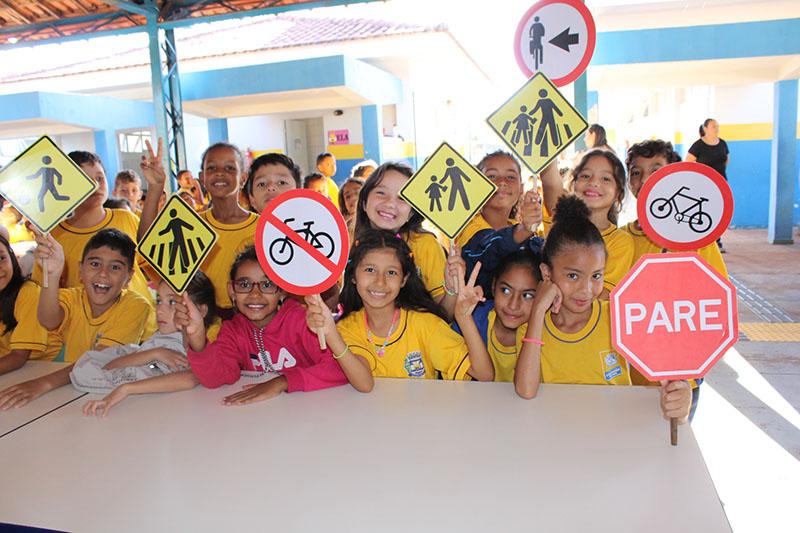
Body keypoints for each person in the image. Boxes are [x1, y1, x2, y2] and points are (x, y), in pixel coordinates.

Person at [513, 196, 692, 427]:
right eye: (573, 276)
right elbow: (526, 391)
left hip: (614, 438)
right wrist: (538, 311)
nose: (586, 290)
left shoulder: (619, 318)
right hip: (556, 437)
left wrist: (681, 395)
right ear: (547, 274)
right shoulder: (531, 330)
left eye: (596, 276)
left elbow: (668, 375)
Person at [305, 230, 495, 390]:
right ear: (353, 276)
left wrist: (463, 318)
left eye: (391, 272)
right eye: (370, 270)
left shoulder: (424, 324)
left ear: (404, 280)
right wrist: (330, 332)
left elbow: (484, 375)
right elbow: (364, 384)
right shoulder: (347, 328)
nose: (380, 282)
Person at [624, 139, 727, 419]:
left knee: (673, 454)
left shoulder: (697, 241)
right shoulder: (620, 240)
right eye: (636, 172)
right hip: (628, 381)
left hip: (681, 386)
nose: (645, 179)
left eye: (656, 169)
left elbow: (717, 305)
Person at [0, 229, 152, 410]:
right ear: (80, 270)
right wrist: (53, 274)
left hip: (108, 394)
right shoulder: (71, 297)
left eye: (115, 267)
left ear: (128, 278)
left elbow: (99, 361)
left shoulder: (135, 306)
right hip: (73, 388)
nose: (103, 273)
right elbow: (48, 320)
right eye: (95, 264)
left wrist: (44, 384)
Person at [181, 246, 349, 403]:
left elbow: (340, 369)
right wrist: (197, 338)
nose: (255, 294)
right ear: (232, 291)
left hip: (311, 410)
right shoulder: (232, 330)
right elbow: (217, 379)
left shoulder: (304, 321)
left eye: (267, 285)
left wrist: (283, 382)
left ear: (282, 290)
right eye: (244, 285)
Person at [30, 151, 154, 332]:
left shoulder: (126, 218)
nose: (96, 186)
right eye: (85, 180)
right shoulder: (53, 237)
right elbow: (48, 300)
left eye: (100, 178)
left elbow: (152, 266)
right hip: (95, 339)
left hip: (146, 329)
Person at [138, 140, 257, 310]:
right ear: (202, 178)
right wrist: (155, 187)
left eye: (230, 168)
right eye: (212, 168)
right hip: (197, 326)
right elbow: (149, 245)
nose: (220, 174)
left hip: (247, 329)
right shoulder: (192, 223)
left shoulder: (262, 228)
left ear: (243, 178)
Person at [77, 273, 217, 416]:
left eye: (172, 302)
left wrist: (126, 388)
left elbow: (191, 378)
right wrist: (154, 353)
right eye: (158, 301)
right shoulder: (160, 339)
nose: (160, 310)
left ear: (201, 311)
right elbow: (108, 367)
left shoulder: (189, 347)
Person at [353, 162, 462, 318]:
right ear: (364, 202)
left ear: (411, 213)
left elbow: (446, 314)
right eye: (381, 193)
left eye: (402, 198)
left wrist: (452, 290)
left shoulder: (425, 245)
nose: (390, 203)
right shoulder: (356, 245)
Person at [540, 151, 634, 297]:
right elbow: (550, 183)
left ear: (618, 194)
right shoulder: (561, 222)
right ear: (573, 184)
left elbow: (602, 296)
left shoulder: (621, 241)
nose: (594, 182)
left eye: (606, 179)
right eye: (585, 176)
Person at [458, 150, 543, 294]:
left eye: (510, 177)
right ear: (476, 187)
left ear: (521, 188)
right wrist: (523, 230)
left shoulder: (528, 230)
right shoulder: (467, 229)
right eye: (491, 176)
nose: (502, 182)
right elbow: (488, 252)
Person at [452, 249, 540, 382]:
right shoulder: (474, 319)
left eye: (527, 295)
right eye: (505, 290)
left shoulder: (544, 330)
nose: (513, 305)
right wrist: (465, 319)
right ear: (493, 286)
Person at [0, 235, 61, 376]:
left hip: (47, 364)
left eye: (1, 258)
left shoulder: (28, 292)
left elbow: (19, 357)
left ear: (12, 258)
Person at [686, 118, 730, 253]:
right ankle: (701, 239)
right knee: (703, 212)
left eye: (717, 126)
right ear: (705, 128)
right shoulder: (698, 145)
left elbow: (726, 159)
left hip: (720, 184)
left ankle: (717, 241)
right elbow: (688, 163)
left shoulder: (722, 143)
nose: (716, 129)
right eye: (713, 126)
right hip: (703, 185)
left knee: (718, 212)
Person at [337, 177, 364, 245]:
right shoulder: (342, 229)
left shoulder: (377, 222)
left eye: (357, 193)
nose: (353, 198)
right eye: (348, 196)